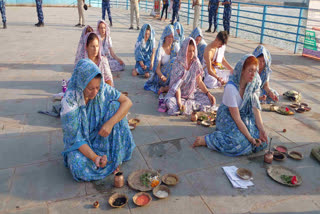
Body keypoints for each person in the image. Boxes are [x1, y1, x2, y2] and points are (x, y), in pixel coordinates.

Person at [61, 59, 135, 181]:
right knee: (77, 165)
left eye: (97, 87)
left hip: (100, 133)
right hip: (80, 143)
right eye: (90, 88)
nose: (95, 92)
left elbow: (127, 102)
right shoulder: (69, 102)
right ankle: (107, 159)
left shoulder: (102, 89)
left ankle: (113, 156)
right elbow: (75, 139)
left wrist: (110, 124)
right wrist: (95, 157)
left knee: (115, 107)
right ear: (81, 84)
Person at [193, 55, 268, 156]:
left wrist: (262, 130)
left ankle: (249, 138)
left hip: (243, 116)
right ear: (242, 70)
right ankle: (207, 140)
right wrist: (250, 138)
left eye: (255, 71)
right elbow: (236, 118)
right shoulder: (231, 87)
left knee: (260, 140)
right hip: (228, 116)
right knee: (239, 142)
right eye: (250, 70)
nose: (253, 74)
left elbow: (255, 109)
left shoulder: (252, 85)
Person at [165, 37, 216, 115]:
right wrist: (179, 102)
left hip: (191, 94)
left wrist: (208, 93)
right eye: (189, 51)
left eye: (193, 51)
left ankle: (187, 107)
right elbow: (177, 86)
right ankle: (185, 106)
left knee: (209, 101)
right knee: (171, 104)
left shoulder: (196, 62)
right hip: (178, 95)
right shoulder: (178, 63)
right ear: (184, 51)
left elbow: (199, 81)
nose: (191, 54)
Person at [144, 25, 180, 94]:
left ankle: (168, 88)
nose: (170, 39)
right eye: (169, 37)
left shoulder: (174, 46)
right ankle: (166, 87)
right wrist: (162, 76)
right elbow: (157, 69)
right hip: (162, 76)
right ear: (165, 37)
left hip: (172, 75)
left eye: (172, 37)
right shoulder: (160, 50)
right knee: (173, 60)